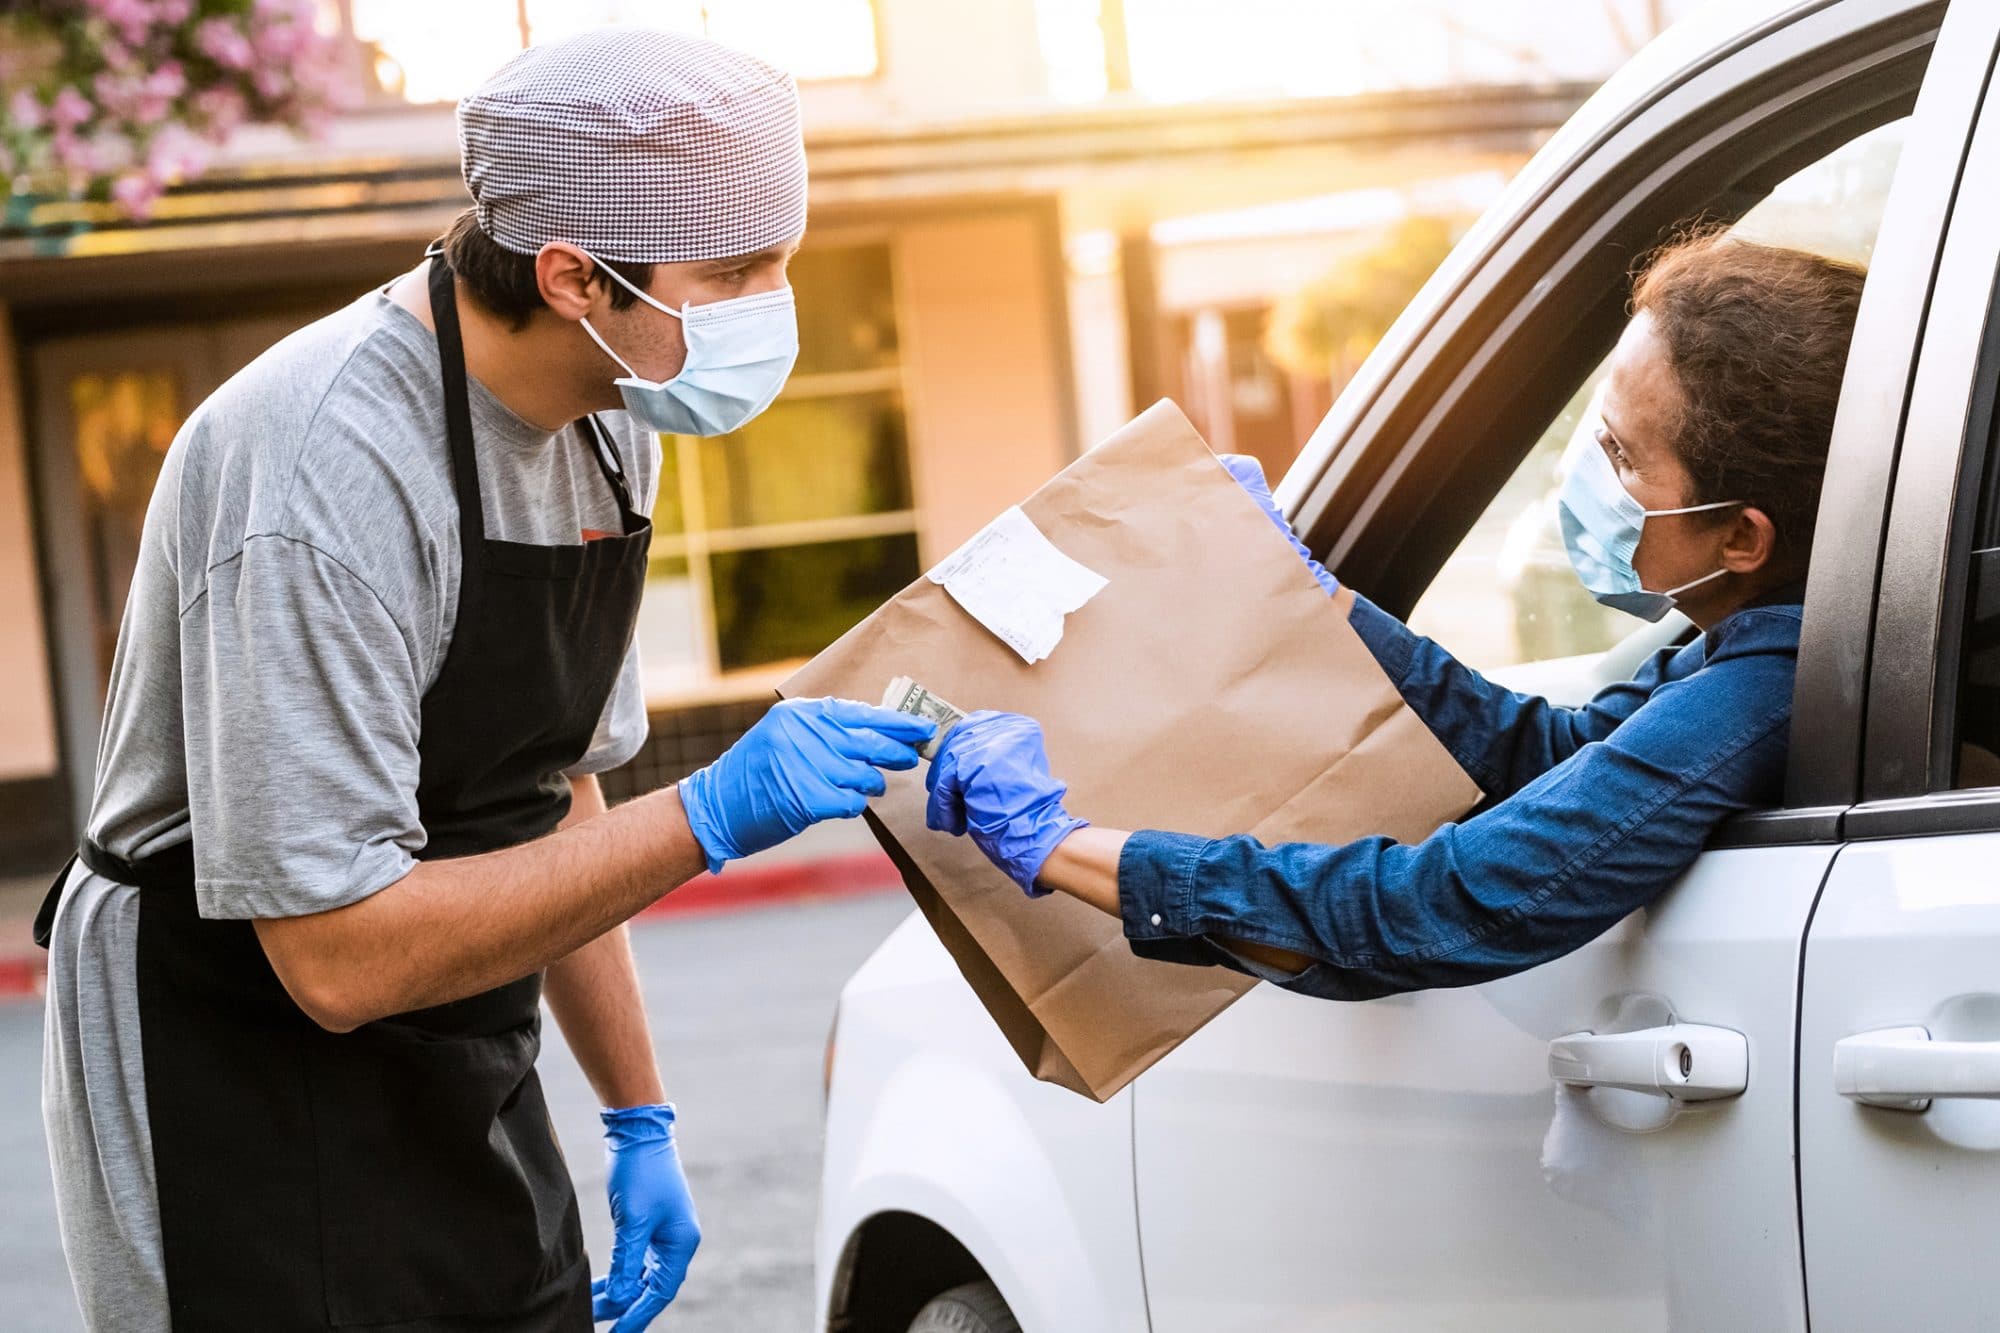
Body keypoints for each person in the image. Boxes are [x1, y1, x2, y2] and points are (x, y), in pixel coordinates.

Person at [36, 29, 936, 1333]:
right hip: (227, 1039)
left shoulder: (623, 411)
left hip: (453, 1009)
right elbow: (334, 956)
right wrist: (705, 815)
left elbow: (553, 783)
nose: (771, 307)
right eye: (739, 272)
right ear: (574, 275)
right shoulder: (319, 478)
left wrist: (638, 1110)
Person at [923, 230, 1864, 997]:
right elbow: (1551, 756)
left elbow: (1443, 905)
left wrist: (1062, 848)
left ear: (1742, 535)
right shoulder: (1743, 623)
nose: (1591, 475)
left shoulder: (1769, 687)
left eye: (1622, 455)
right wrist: (1324, 599)